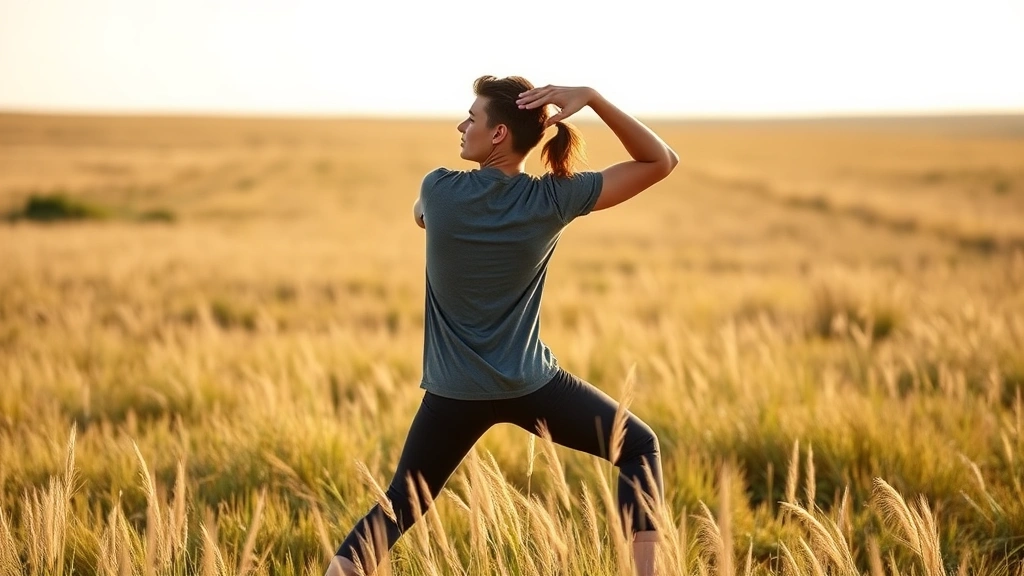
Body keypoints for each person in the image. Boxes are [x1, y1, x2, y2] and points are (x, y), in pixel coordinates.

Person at [325, 76, 679, 576]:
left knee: (400, 504)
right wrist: (593, 98)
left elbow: (420, 214)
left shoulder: (439, 189)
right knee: (639, 447)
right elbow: (660, 161)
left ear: (497, 135)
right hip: (531, 384)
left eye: (472, 117)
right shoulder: (553, 199)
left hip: (453, 393)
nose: (461, 124)